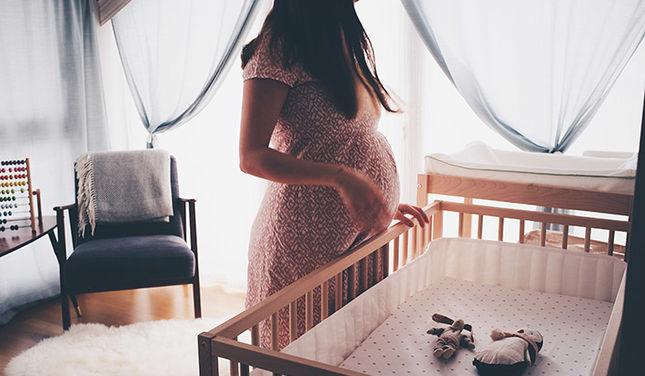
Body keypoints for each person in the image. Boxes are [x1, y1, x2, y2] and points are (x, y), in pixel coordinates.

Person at [239, 0, 429, 349]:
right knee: (302, 352)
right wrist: (344, 179)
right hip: (303, 244)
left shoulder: (340, 40)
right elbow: (251, 156)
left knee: (347, 347)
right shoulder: (278, 48)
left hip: (357, 239)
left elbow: (343, 139)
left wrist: (377, 199)